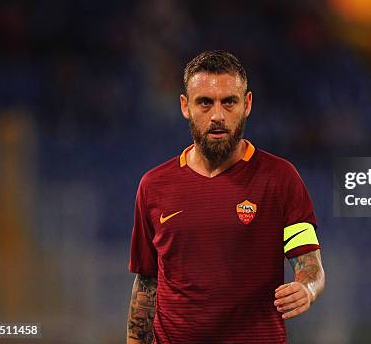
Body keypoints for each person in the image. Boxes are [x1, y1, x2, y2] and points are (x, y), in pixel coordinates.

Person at [126, 50, 325, 344]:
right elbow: (146, 283)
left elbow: (311, 265)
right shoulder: (154, 186)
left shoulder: (280, 179)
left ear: (247, 104)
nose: (217, 115)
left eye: (228, 102)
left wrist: (306, 288)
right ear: (185, 106)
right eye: (205, 102)